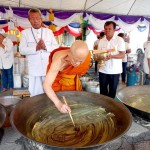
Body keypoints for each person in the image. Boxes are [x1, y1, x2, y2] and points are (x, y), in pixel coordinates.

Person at [19, 8, 59, 97]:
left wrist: (46, 47)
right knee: (35, 94)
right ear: (29, 20)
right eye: (32, 19)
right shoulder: (25, 33)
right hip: (34, 69)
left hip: (48, 68)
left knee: (49, 93)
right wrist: (35, 48)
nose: (35, 21)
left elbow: (56, 47)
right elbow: (21, 49)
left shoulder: (48, 32)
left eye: (37, 18)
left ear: (41, 19)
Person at [43, 40, 91, 113]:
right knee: (55, 108)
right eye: (75, 60)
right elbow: (46, 85)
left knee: (74, 105)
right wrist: (58, 104)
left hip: (71, 82)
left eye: (81, 61)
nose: (77, 64)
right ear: (69, 53)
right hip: (57, 81)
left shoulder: (85, 55)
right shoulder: (58, 61)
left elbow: (80, 71)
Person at [98, 21, 125, 99]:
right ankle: (103, 107)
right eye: (106, 29)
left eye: (110, 29)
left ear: (114, 30)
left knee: (112, 92)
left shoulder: (119, 40)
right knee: (103, 92)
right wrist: (100, 57)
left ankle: (110, 109)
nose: (107, 30)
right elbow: (99, 54)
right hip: (103, 70)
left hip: (115, 71)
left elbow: (122, 54)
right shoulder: (101, 41)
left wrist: (111, 56)